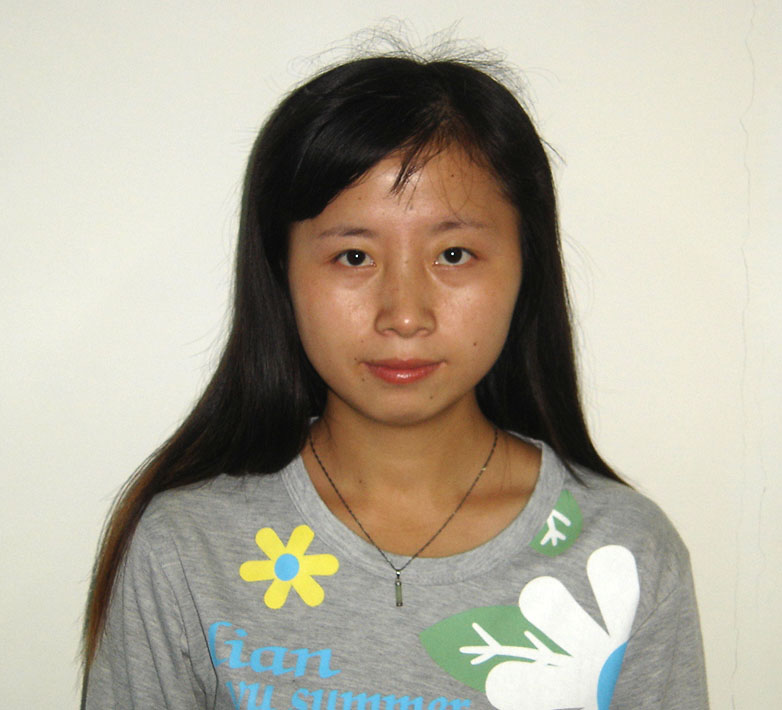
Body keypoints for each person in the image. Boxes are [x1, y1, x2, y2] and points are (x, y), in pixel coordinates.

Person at [81, 50, 709, 710]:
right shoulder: (189, 548)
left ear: (526, 267)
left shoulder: (622, 556)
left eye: (453, 254)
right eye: (354, 256)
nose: (404, 315)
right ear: (281, 271)